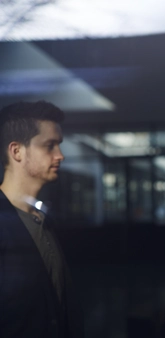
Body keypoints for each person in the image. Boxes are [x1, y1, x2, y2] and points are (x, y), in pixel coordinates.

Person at [0, 101, 83, 337]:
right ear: (16, 151)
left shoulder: (43, 220)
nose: (60, 155)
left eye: (59, 145)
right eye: (50, 146)